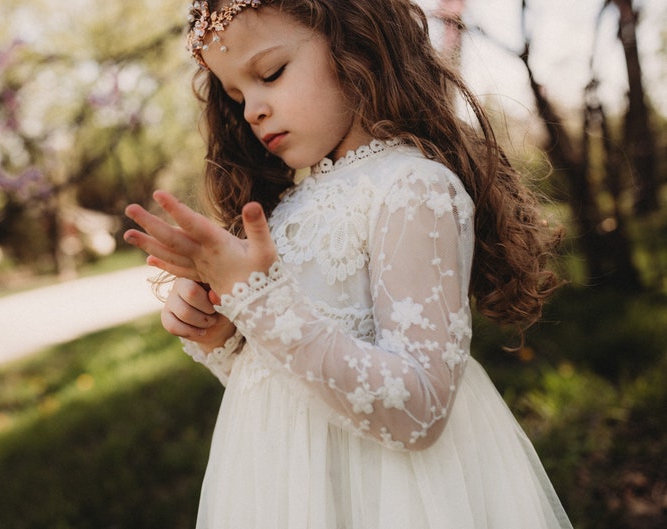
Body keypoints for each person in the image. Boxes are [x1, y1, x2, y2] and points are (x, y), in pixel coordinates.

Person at [123, 0, 573, 527]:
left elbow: (419, 410)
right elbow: (291, 388)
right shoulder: (287, 208)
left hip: (393, 496)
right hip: (293, 493)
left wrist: (262, 302)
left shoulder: (412, 188)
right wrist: (223, 335)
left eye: (271, 73)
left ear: (353, 42)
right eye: (237, 96)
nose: (251, 111)